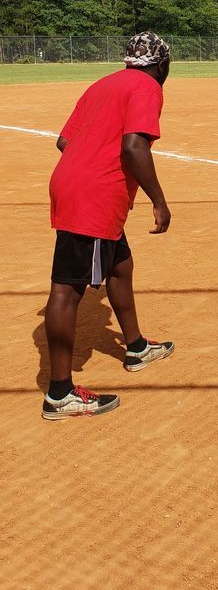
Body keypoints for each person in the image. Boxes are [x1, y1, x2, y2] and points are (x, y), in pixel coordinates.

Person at [41, 32, 174, 420]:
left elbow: (65, 141)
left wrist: (91, 162)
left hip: (75, 183)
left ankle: (135, 347)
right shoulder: (147, 87)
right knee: (67, 290)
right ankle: (60, 394)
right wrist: (159, 201)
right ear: (161, 66)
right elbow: (134, 146)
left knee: (119, 264)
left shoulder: (103, 83)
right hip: (94, 195)